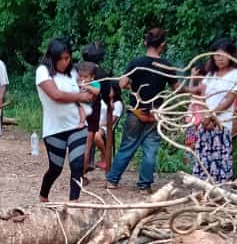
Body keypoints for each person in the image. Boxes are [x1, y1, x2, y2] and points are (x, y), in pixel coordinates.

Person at [105, 28, 179, 193]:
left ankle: (112, 180)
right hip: (155, 114)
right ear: (163, 45)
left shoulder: (136, 62)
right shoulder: (166, 66)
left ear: (146, 43)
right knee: (150, 150)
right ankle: (144, 186)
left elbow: (122, 84)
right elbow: (178, 89)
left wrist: (127, 87)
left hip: (136, 112)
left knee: (127, 147)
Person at [35, 38, 94, 202]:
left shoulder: (73, 73)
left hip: (77, 124)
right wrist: (81, 95)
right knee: (55, 168)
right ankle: (43, 195)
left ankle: (74, 204)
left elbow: (91, 86)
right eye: (61, 58)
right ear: (53, 58)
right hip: (54, 129)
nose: (65, 62)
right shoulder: (43, 71)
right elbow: (56, 95)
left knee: (77, 166)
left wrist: (90, 90)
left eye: (68, 58)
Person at [185, 38, 237, 183]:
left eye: (223, 55)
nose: (219, 59)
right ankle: (201, 192)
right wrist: (206, 117)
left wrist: (212, 117)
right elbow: (201, 94)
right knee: (203, 158)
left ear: (231, 56)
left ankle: (220, 194)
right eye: (216, 55)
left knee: (220, 159)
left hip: (221, 124)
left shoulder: (235, 74)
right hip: (205, 125)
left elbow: (229, 99)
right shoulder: (210, 75)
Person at [80, 42, 122, 171]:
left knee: (79, 142)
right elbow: (106, 95)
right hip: (93, 111)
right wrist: (110, 105)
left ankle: (81, 170)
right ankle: (83, 172)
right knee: (87, 144)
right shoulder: (101, 74)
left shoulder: (77, 69)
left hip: (76, 108)